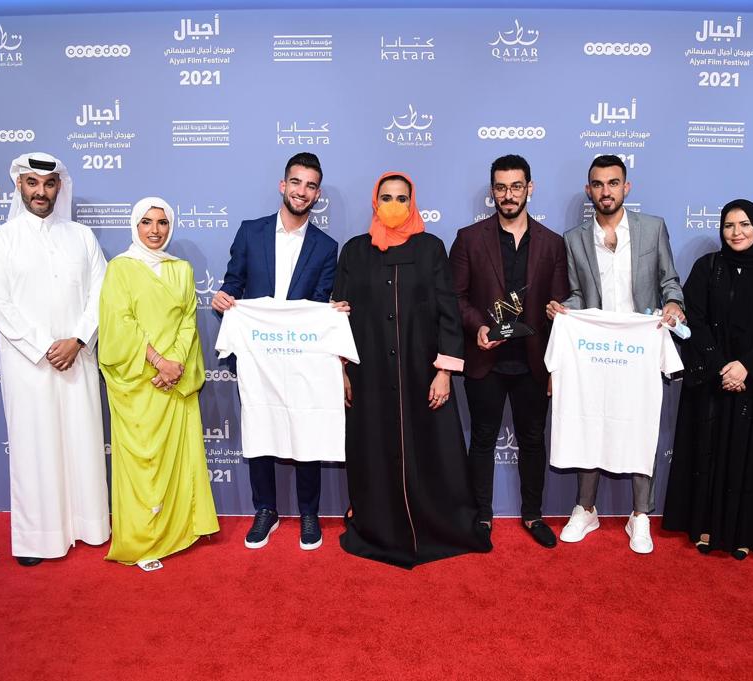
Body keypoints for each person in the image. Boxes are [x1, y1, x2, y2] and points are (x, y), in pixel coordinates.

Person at [335, 171, 491, 568]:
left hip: (423, 375)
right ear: (375, 202)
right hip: (368, 376)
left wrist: (445, 371)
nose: (393, 205)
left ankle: (436, 523)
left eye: (401, 198)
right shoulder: (354, 252)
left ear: (412, 202)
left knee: (431, 450)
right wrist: (340, 370)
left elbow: (448, 313)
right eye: (385, 197)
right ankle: (376, 522)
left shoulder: (430, 248)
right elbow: (338, 316)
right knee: (373, 448)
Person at [547, 154, 686, 554]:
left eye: (613, 183)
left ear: (627, 187)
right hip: (592, 349)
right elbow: (575, 292)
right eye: (597, 184)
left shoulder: (653, 229)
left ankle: (640, 514)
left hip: (639, 346)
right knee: (589, 421)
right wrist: (564, 310)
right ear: (588, 190)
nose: (605, 191)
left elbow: (669, 281)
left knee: (639, 424)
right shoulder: (573, 239)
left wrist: (673, 305)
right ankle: (585, 508)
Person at [0, 152, 110, 566]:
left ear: (59, 188)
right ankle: (38, 539)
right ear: (19, 186)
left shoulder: (82, 237)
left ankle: (89, 527)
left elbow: (100, 294)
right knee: (35, 448)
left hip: (77, 358)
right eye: (32, 183)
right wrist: (42, 345)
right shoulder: (0, 239)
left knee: (81, 440)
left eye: (49, 184)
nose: (41, 191)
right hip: (28, 364)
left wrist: (76, 339)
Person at [661, 199, 753, 559]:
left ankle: (742, 533)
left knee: (747, 456)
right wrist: (722, 366)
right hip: (711, 382)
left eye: (744, 224)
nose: (736, 232)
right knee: (706, 452)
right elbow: (695, 321)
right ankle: (704, 528)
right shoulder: (708, 267)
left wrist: (747, 368)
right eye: (728, 225)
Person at [211, 152, 338, 551]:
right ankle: (265, 509)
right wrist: (225, 299)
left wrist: (331, 314)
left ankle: (309, 512)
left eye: (311, 185)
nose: (302, 191)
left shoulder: (326, 246)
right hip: (258, 354)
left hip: (302, 357)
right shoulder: (251, 232)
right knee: (260, 426)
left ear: (317, 194)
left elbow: (318, 303)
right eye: (296, 183)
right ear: (283, 186)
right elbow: (234, 282)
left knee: (306, 428)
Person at [449, 155, 569, 549]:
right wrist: (478, 327)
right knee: (482, 439)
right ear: (492, 192)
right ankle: (480, 516)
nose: (508, 195)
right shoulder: (469, 238)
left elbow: (559, 304)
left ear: (529, 189)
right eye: (501, 188)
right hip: (486, 360)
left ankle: (533, 515)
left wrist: (558, 311)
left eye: (516, 186)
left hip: (533, 362)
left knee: (533, 441)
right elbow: (455, 297)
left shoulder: (553, 243)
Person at [99, 197, 220, 571]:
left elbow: (187, 320)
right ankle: (142, 539)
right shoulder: (120, 269)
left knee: (176, 459)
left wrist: (177, 364)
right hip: (139, 381)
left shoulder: (181, 269)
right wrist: (158, 363)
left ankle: (178, 531)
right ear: (135, 226)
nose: (155, 230)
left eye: (163, 223)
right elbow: (119, 324)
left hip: (174, 381)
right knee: (143, 460)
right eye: (147, 222)